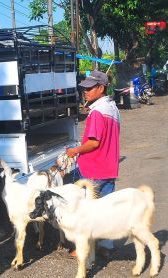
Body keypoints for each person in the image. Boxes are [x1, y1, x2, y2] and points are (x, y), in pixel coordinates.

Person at [66, 70, 121, 259]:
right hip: (109, 167)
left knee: (86, 211)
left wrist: (75, 151)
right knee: (106, 209)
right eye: (84, 88)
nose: (85, 92)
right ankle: (106, 246)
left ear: (101, 88)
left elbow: (93, 143)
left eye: (90, 88)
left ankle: (82, 248)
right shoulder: (113, 108)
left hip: (93, 169)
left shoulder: (97, 112)